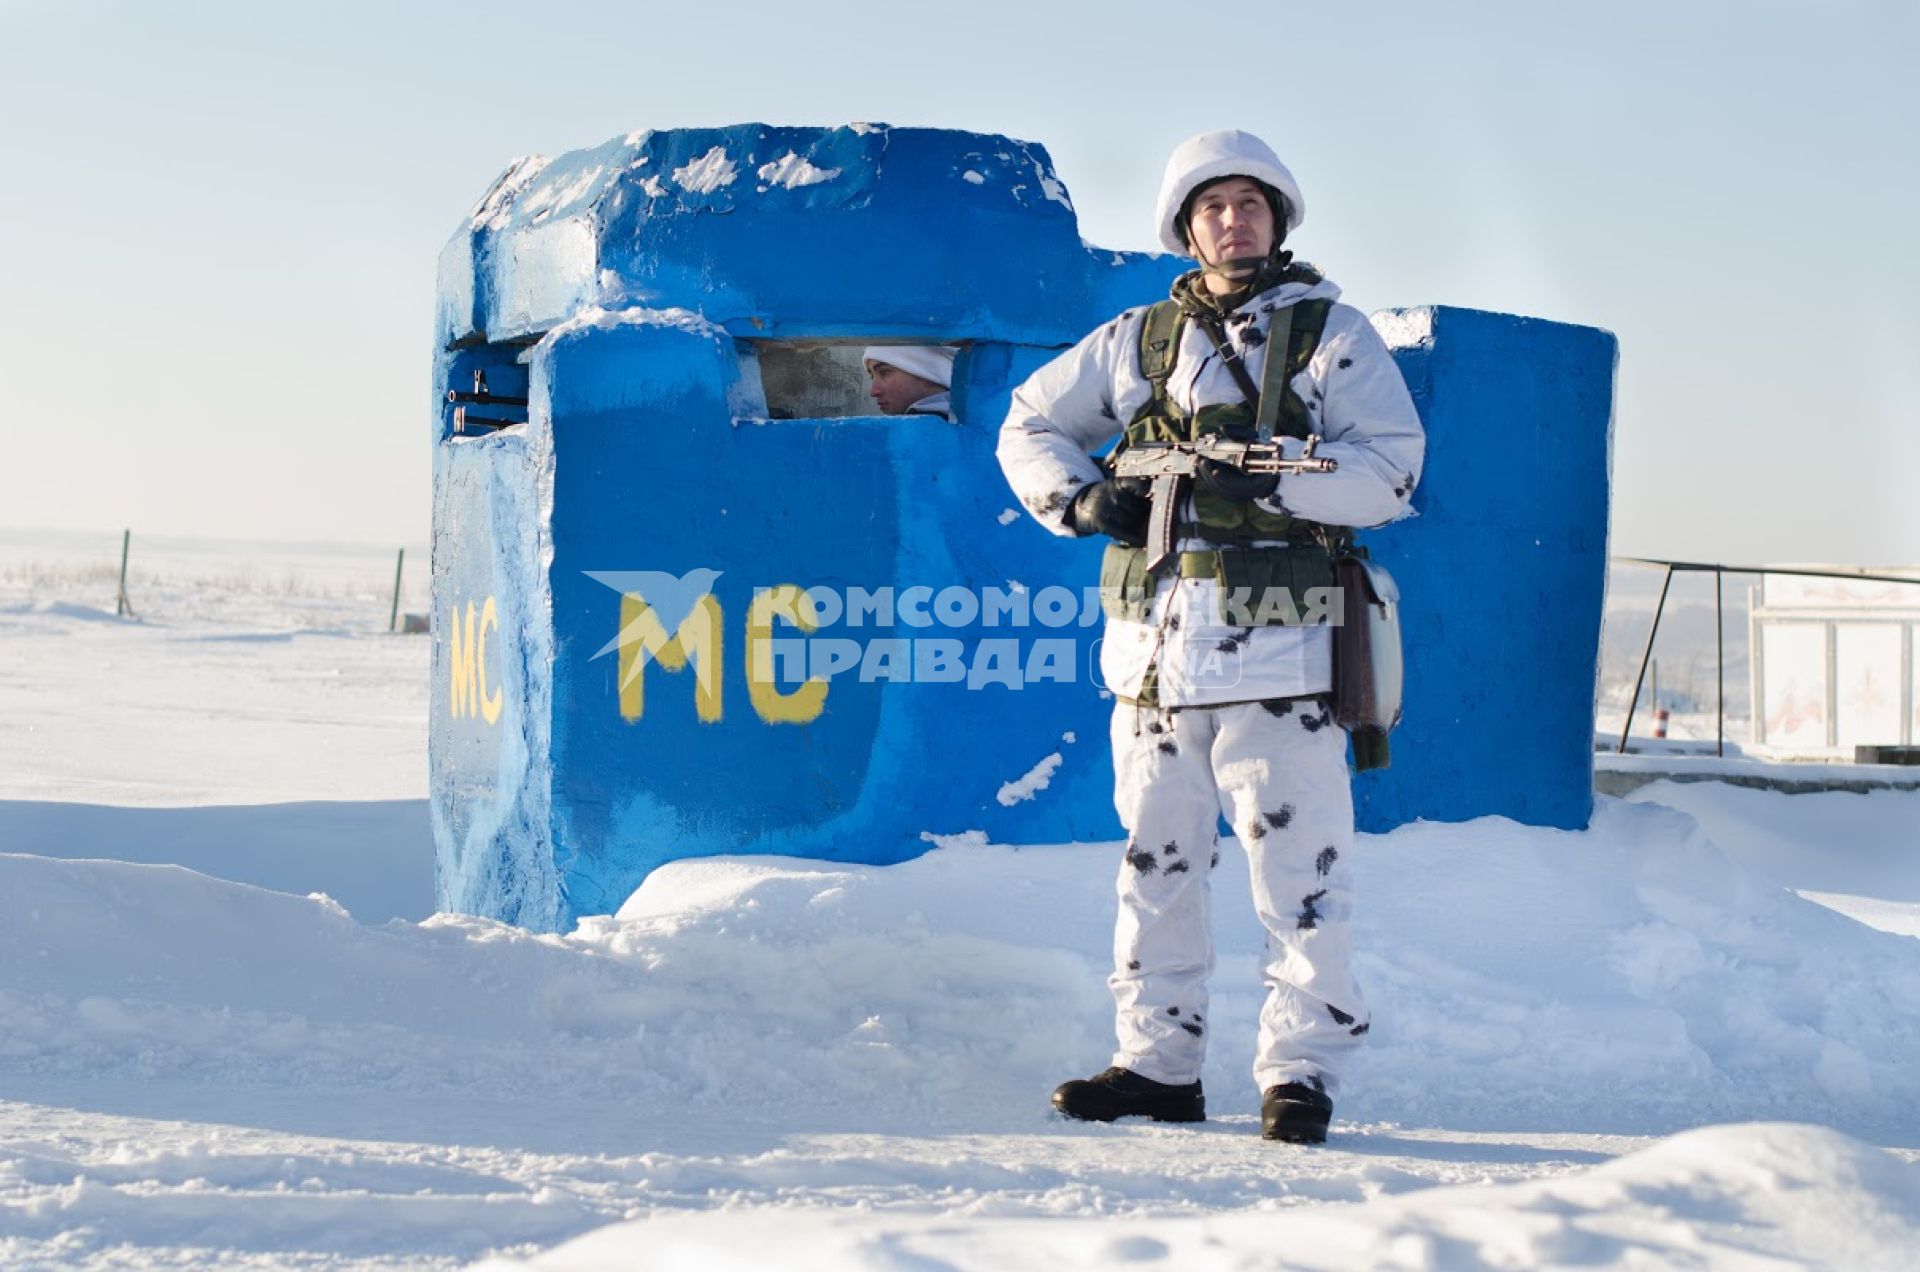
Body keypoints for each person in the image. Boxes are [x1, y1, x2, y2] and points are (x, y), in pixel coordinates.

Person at [995, 130, 1424, 1143]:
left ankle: (1301, 1076)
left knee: (1304, 884)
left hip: (1282, 662)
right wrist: (1082, 498)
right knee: (1154, 873)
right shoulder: (1137, 342)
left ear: (1278, 219)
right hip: (1151, 667)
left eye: (1252, 204)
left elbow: (1395, 470)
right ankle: (1155, 1065)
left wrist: (1274, 477)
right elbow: (1027, 423)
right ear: (1186, 225)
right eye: (1214, 205)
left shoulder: (1332, 334)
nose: (1234, 220)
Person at [863, 345, 957, 420]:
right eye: (872, 376)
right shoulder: (959, 417)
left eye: (884, 372)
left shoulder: (920, 434)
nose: (874, 392)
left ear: (926, 375)